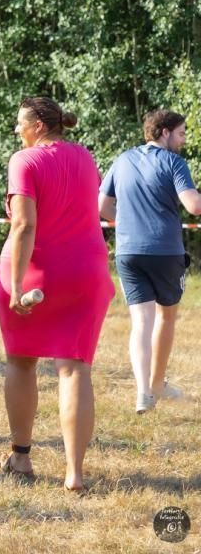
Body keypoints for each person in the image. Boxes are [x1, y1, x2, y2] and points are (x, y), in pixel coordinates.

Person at [0, 97, 113, 492]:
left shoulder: (23, 161)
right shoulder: (85, 157)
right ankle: (74, 473)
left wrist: (16, 284)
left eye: (20, 123)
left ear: (39, 126)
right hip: (85, 273)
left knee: (20, 362)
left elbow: (23, 225)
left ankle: (21, 456)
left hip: (35, 274)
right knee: (74, 368)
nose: (16, 130)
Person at [100, 110, 201, 413]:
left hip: (128, 251)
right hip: (165, 251)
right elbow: (194, 206)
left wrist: (126, 223)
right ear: (164, 132)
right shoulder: (173, 162)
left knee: (141, 322)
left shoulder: (122, 160)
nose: (184, 140)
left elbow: (102, 205)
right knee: (166, 317)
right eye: (181, 133)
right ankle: (157, 385)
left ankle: (143, 393)